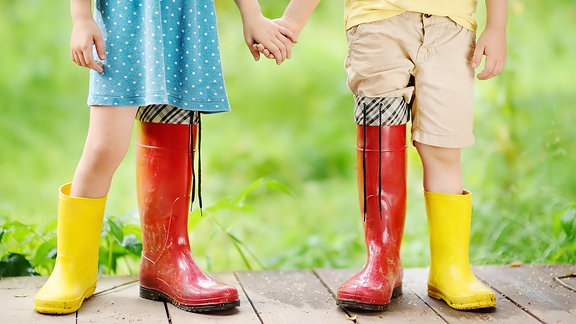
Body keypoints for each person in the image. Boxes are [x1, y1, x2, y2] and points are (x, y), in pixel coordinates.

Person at [33, 0, 294, 315]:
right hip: (125, 17)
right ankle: (73, 267)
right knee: (105, 146)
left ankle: (166, 261)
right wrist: (81, 17)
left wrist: (251, 13)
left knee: (172, 127)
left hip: (185, 15)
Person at [259, 0, 507, 311]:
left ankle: (451, 267)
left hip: (452, 29)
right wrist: (292, 22)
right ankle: (382, 262)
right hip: (377, 23)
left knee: (443, 147)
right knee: (379, 140)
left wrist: (497, 26)